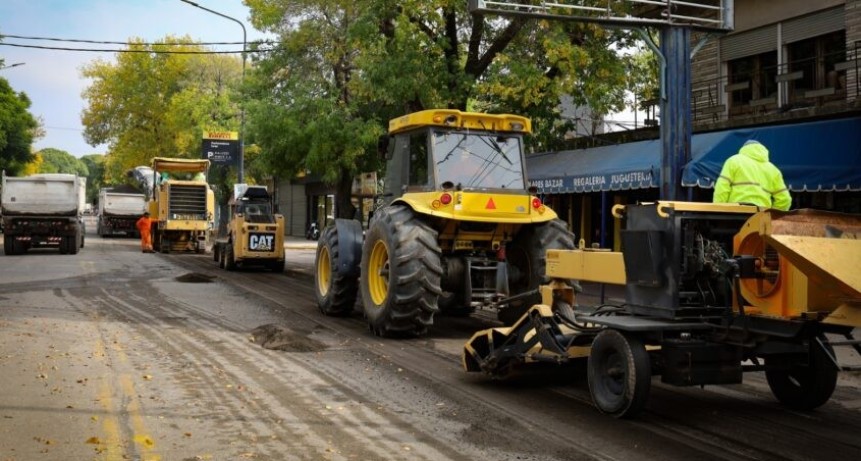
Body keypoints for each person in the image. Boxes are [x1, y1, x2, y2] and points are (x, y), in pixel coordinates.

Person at [713, 140, 791, 211]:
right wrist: (772, 216)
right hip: (761, 215)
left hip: (736, 212)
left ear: (744, 149)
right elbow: (785, 199)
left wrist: (719, 210)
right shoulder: (773, 169)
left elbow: (722, 189)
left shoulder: (733, 161)